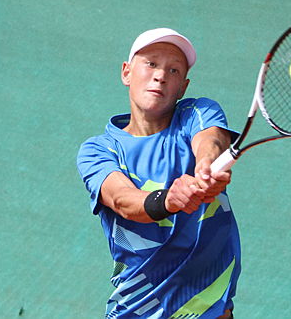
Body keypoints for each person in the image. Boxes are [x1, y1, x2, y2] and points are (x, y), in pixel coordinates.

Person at [77, 28, 241, 318]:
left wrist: (206, 165)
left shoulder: (196, 113)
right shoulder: (98, 150)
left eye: (174, 70)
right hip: (138, 309)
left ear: (183, 87)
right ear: (126, 73)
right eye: (151, 63)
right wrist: (169, 200)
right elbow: (123, 200)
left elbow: (211, 140)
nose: (161, 75)